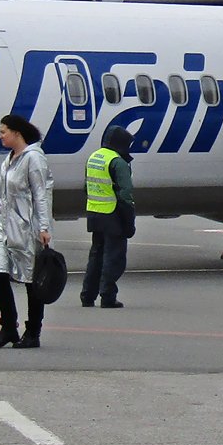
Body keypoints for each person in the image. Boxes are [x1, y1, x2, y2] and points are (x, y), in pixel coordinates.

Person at [0, 114, 53, 349]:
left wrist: (43, 227)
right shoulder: (9, 159)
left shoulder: (34, 159)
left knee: (30, 280)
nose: (0, 135)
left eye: (4, 131)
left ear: (17, 133)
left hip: (27, 227)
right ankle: (8, 327)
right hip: (5, 225)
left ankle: (33, 331)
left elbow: (41, 194)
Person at [79, 125, 136, 309]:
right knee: (114, 257)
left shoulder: (94, 157)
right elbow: (126, 194)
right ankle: (108, 296)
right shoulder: (117, 162)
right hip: (113, 214)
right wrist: (129, 222)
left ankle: (87, 295)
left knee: (96, 256)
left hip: (95, 213)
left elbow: (86, 187)